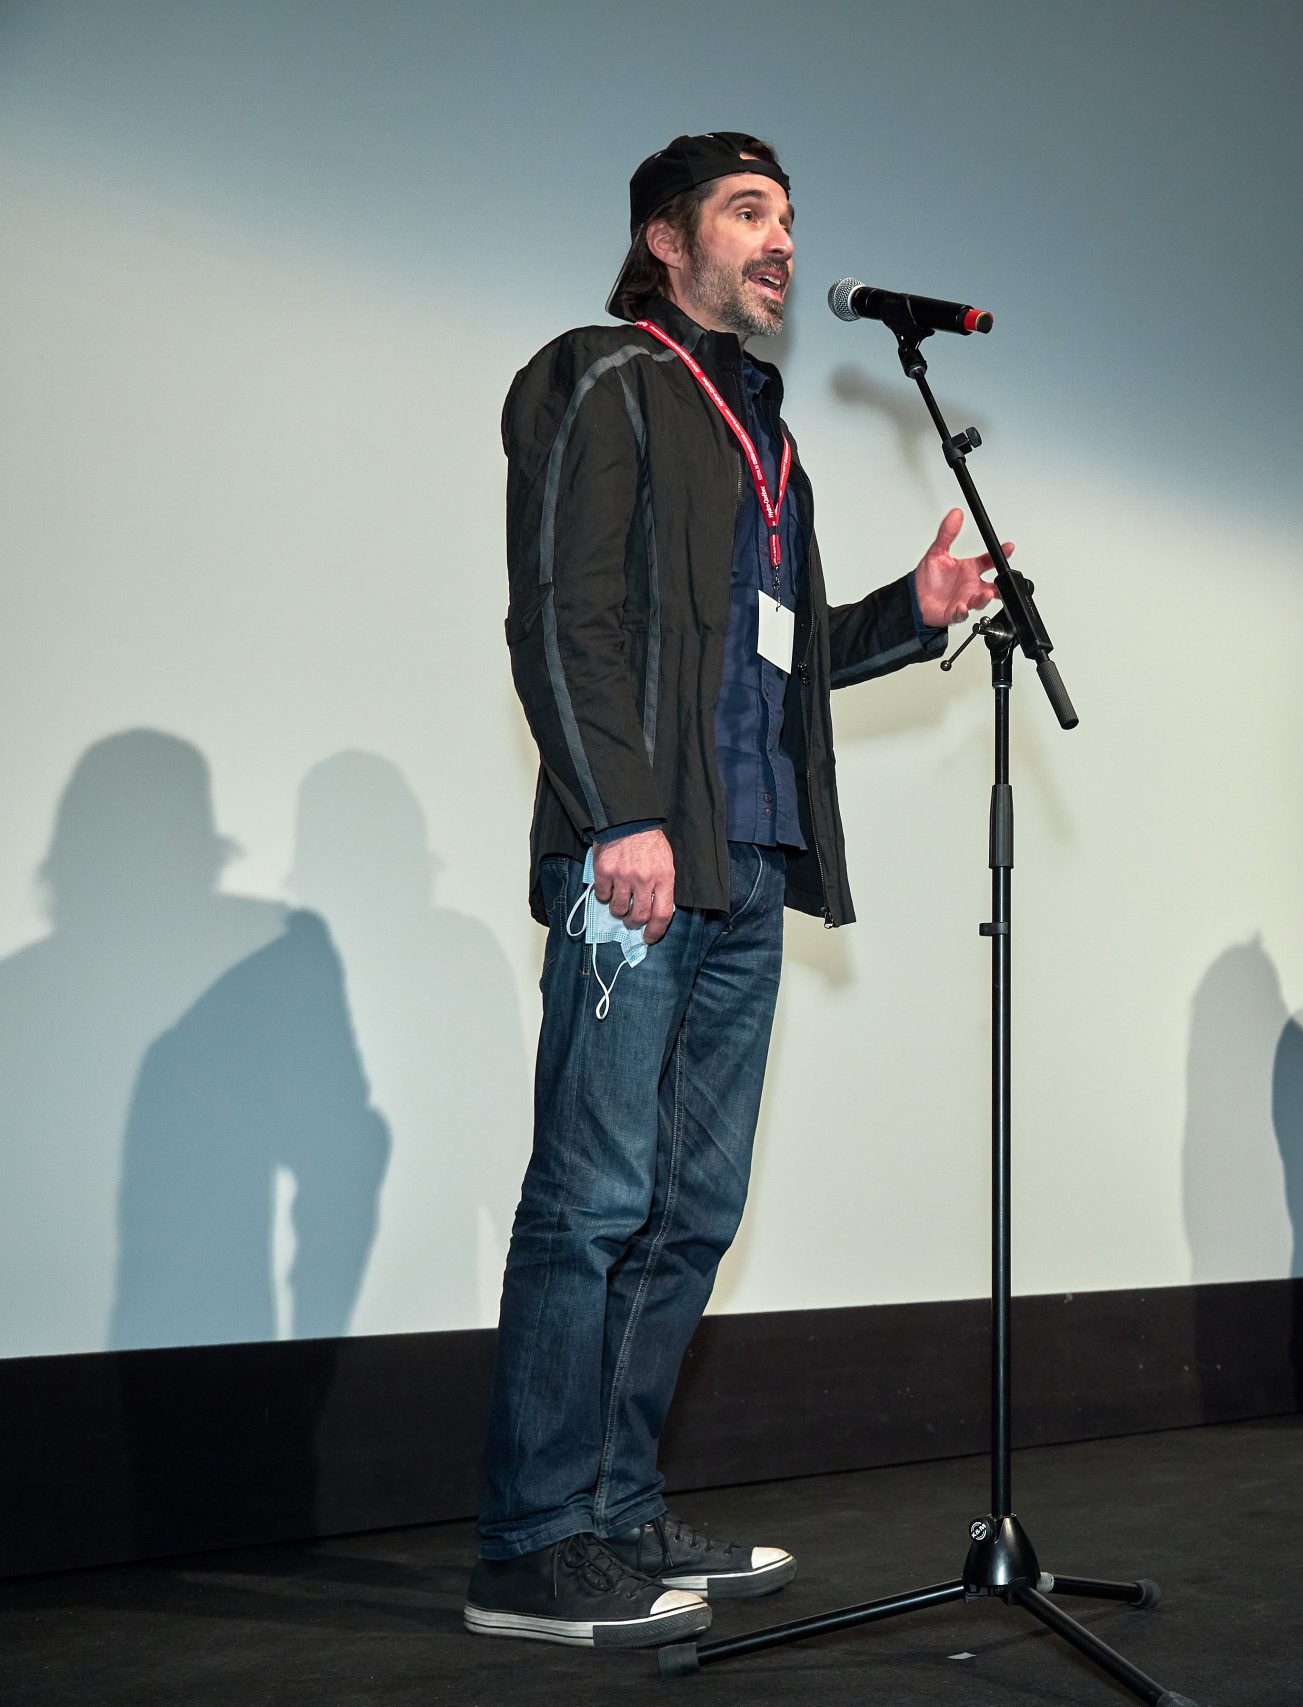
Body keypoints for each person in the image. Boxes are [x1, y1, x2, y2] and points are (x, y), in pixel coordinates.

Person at [466, 133, 1004, 1648]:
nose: (779, 240)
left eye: (788, 216)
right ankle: (526, 1543)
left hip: (746, 868)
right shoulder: (602, 375)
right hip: (635, 860)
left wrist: (913, 611)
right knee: (591, 1200)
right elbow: (562, 619)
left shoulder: (769, 439)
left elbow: (774, 652)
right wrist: (618, 812)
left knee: (692, 1203)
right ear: (665, 238)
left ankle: (618, 1507)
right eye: (748, 213)